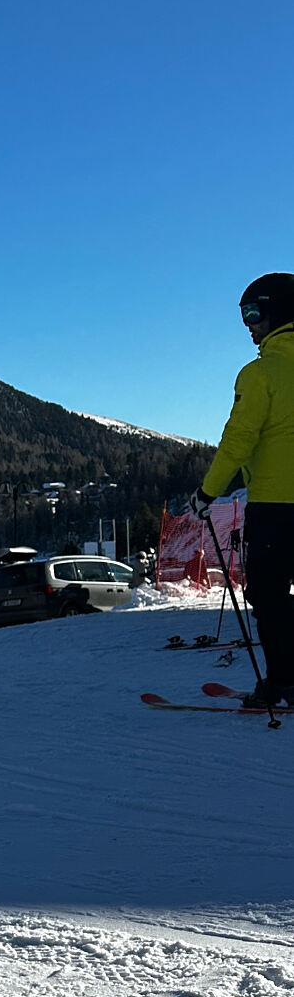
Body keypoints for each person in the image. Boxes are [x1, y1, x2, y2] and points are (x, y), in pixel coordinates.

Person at [192, 272, 294, 709]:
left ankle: (285, 683)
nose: (248, 326)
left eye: (253, 313)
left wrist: (207, 493)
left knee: (268, 597)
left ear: (278, 312)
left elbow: (239, 440)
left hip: (275, 506)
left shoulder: (260, 373)